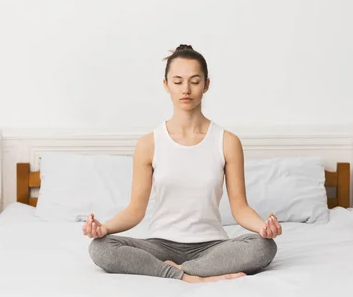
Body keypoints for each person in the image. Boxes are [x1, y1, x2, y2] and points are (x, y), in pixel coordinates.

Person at [84, 44, 281, 283]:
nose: (185, 89)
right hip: (160, 244)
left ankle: (173, 270)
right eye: (177, 82)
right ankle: (190, 276)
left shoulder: (227, 142)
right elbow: (135, 211)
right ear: (166, 85)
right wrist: (104, 228)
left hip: (211, 246)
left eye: (194, 81)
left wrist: (263, 227)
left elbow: (240, 208)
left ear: (206, 85)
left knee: (264, 247)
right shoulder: (149, 143)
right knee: (100, 248)